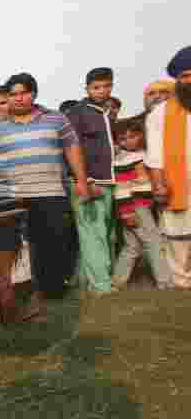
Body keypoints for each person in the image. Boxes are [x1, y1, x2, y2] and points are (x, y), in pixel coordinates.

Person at [0, 73, 99, 301]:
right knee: (5, 245)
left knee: (51, 244)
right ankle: (4, 292)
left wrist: (82, 181)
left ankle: (50, 290)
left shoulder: (56, 118)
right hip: (7, 195)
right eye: (13, 95)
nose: (18, 98)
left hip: (49, 191)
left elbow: (72, 149)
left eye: (23, 93)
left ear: (33, 94)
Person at [64, 67, 117, 294]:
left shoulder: (107, 113)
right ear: (87, 89)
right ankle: (101, 286)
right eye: (96, 87)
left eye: (106, 86)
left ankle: (91, 280)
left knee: (104, 234)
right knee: (92, 234)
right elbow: (70, 149)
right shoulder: (77, 113)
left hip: (109, 181)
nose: (102, 91)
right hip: (89, 181)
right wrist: (83, 180)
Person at [145, 46, 191, 290]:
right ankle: (182, 284)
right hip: (178, 184)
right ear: (177, 81)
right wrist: (159, 185)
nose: (189, 80)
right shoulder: (160, 114)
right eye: (184, 76)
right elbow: (154, 156)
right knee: (179, 238)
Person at [112, 115, 173, 291]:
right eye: (122, 138)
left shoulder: (141, 154)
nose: (128, 141)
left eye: (132, 136)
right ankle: (165, 282)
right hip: (135, 207)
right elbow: (121, 188)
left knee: (132, 246)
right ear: (117, 141)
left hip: (140, 206)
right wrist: (127, 212)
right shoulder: (124, 159)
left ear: (141, 135)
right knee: (154, 242)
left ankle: (117, 281)